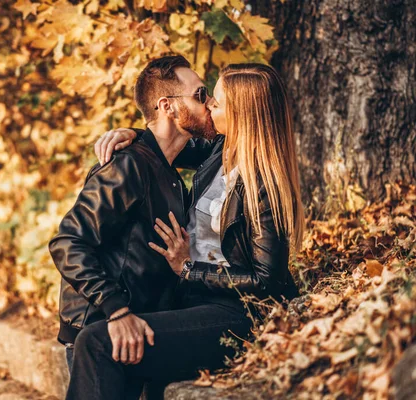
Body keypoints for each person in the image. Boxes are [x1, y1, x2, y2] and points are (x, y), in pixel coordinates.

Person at [67, 63, 304, 400]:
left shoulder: (264, 183)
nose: (208, 106)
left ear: (243, 115)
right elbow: (169, 139)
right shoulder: (218, 152)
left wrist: (189, 269)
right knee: (112, 333)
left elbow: (268, 281)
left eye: (217, 103)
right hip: (190, 302)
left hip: (235, 314)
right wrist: (131, 132)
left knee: (98, 342)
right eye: (206, 98)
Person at [48, 55, 218, 399]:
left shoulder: (167, 168)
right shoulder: (127, 165)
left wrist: (138, 131)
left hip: (139, 330)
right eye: (200, 95)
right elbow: (68, 242)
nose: (210, 103)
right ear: (167, 106)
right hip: (102, 329)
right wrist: (117, 309)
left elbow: (223, 139)